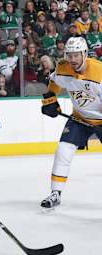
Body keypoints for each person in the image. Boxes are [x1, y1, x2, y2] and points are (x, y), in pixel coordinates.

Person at [40, 37, 102, 210]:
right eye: (69, 55)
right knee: (63, 150)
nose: (72, 59)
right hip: (79, 118)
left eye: (76, 55)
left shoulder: (99, 72)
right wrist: (50, 100)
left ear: (84, 54)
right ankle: (55, 193)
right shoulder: (63, 67)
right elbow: (54, 82)